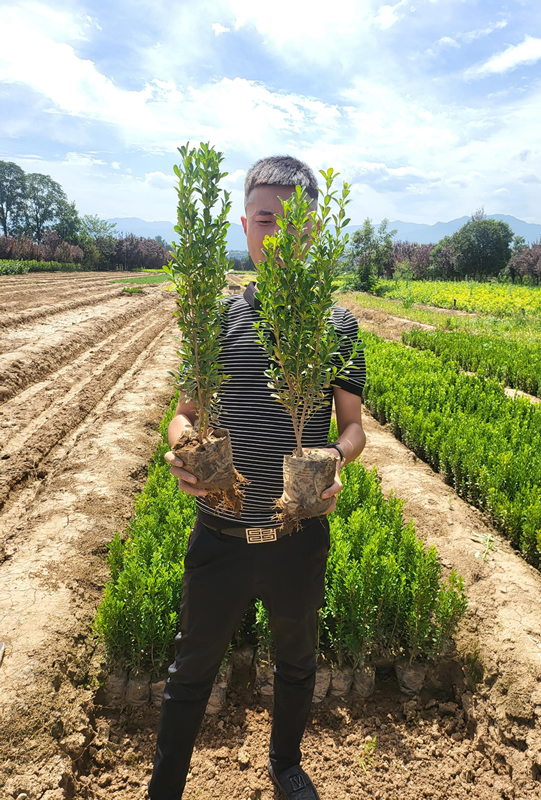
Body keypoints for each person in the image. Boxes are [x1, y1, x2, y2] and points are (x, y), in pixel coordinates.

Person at [148, 155, 367, 800]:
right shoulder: (214, 320)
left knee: (297, 659)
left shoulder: (337, 326)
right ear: (244, 225)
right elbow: (184, 412)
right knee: (192, 666)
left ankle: (286, 765)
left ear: (315, 227)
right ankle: (166, 785)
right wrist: (187, 446)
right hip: (219, 529)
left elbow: (353, 425)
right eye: (265, 219)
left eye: (292, 221)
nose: (277, 234)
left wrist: (335, 458)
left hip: (296, 529)